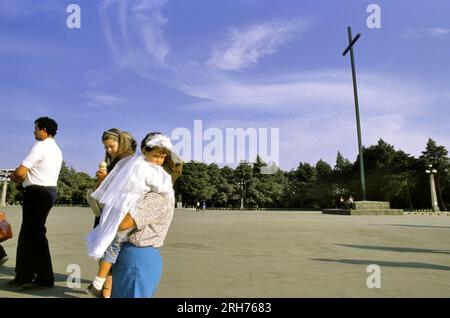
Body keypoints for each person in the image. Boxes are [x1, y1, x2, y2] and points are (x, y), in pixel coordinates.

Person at [85, 132, 181, 297]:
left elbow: (124, 224)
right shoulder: (154, 184)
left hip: (137, 257)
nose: (158, 161)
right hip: (137, 256)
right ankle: (100, 282)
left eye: (162, 158)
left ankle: (100, 282)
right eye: (156, 156)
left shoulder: (157, 193)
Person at [7, 117, 63, 290]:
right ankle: (27, 274)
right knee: (32, 234)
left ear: (44, 130)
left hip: (37, 192)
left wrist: (16, 180)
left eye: (36, 128)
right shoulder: (56, 149)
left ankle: (40, 277)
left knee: (33, 235)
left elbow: (21, 171)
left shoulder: (40, 146)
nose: (34, 131)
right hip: (48, 192)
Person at [85, 128, 136, 298]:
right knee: (107, 249)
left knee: (109, 249)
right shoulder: (116, 161)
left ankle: (106, 290)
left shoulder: (130, 162)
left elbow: (125, 190)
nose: (109, 150)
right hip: (108, 212)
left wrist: (103, 181)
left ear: (122, 142)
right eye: (106, 147)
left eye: (111, 146)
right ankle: (107, 288)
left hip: (117, 213)